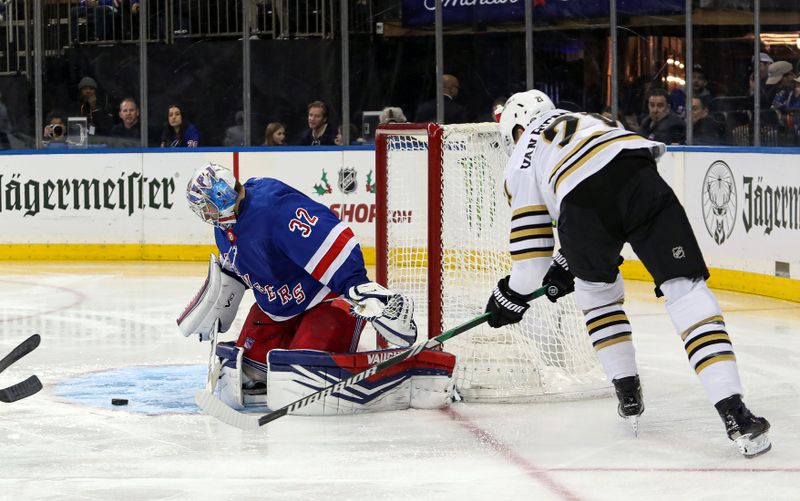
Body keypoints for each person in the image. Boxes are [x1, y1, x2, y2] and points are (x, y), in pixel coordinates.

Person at [484, 89, 771, 458]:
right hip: (639, 176)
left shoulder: (521, 158)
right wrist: (569, 259)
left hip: (581, 206)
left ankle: (627, 392)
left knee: (597, 292)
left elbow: (532, 266)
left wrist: (509, 297)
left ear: (515, 129)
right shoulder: (591, 118)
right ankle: (736, 414)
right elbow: (610, 177)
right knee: (686, 291)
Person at [178, 163, 450, 413]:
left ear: (221, 196)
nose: (205, 214)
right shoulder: (223, 228)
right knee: (245, 370)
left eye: (206, 206)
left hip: (326, 299)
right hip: (280, 308)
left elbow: (327, 240)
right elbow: (235, 270)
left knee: (302, 372)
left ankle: (398, 373)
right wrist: (216, 305)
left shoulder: (272, 210)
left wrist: (355, 285)